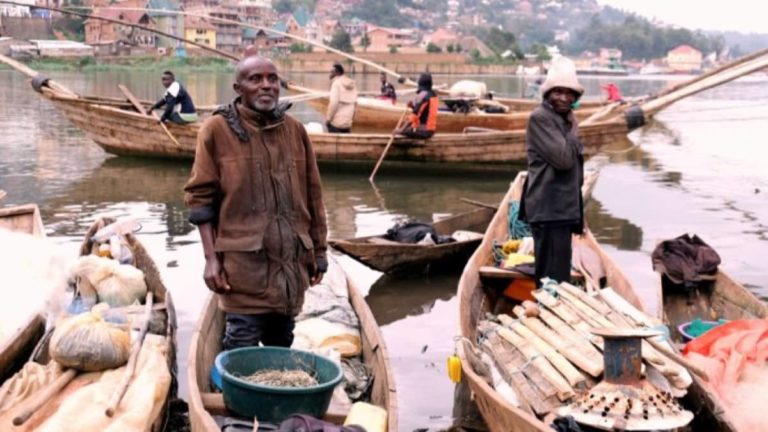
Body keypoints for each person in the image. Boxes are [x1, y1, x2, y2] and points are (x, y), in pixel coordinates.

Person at [184, 56, 328, 350]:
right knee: (241, 348)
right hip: (243, 271)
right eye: (255, 79)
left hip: (290, 269)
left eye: (272, 79)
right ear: (239, 87)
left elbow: (313, 196)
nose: (266, 86)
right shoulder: (216, 130)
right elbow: (200, 200)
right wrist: (211, 259)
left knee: (280, 347)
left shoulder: (296, 130)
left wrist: (320, 252)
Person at [519, 56, 585, 287]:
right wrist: (574, 129)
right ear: (547, 94)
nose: (564, 98)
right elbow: (564, 160)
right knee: (550, 277)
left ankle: (555, 309)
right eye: (558, 92)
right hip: (549, 208)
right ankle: (549, 312)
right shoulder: (541, 118)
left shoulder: (562, 119)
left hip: (562, 209)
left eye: (569, 94)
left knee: (559, 275)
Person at [395, 73, 439, 139]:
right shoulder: (434, 95)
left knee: (405, 130)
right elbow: (424, 110)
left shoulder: (423, 95)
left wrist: (401, 130)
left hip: (424, 131)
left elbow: (415, 114)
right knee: (407, 127)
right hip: (431, 131)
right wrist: (412, 105)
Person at [325, 63, 358, 133]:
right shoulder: (353, 85)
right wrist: (351, 120)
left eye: (332, 72)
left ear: (338, 73)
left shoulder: (336, 84)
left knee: (328, 125)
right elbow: (355, 105)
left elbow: (333, 104)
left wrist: (328, 119)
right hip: (348, 124)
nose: (330, 74)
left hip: (336, 124)